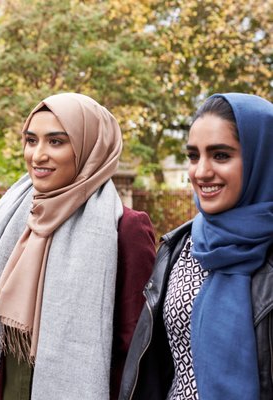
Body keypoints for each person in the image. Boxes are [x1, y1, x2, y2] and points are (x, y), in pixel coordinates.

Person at [0, 92, 156, 400]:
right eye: (31, 140)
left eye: (56, 141)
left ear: (89, 148)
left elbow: (134, 346)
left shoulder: (125, 227)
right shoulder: (11, 215)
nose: (38, 155)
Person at [120, 93, 273, 400]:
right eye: (193, 156)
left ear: (262, 158)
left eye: (221, 155)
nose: (201, 172)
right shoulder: (179, 246)